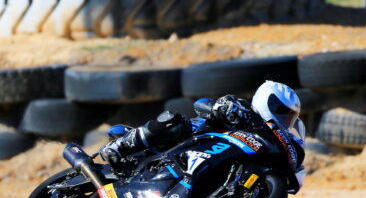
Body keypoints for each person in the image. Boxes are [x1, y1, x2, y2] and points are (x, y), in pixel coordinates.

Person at [99, 81, 307, 192]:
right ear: (266, 100)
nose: (284, 119)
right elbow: (201, 104)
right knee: (174, 121)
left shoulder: (267, 140)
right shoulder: (242, 108)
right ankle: (121, 146)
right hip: (186, 143)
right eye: (282, 111)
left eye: (289, 116)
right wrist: (222, 108)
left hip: (208, 163)